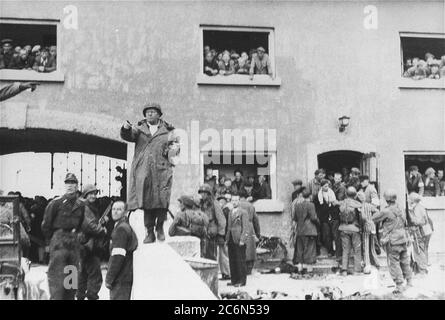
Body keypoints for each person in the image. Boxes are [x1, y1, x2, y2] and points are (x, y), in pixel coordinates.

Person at [120, 102, 180, 244]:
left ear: (159, 114)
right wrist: (126, 128)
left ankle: (159, 228)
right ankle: (149, 231)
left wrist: (172, 150)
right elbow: (129, 136)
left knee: (161, 200)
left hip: (162, 170)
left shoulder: (168, 131)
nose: (149, 114)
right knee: (146, 201)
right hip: (144, 170)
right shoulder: (139, 129)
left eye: (153, 111)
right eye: (147, 112)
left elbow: (175, 150)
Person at [41, 173, 103, 300]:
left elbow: (82, 224)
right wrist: (51, 242)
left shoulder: (81, 205)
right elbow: (46, 225)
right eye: (67, 183)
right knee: (57, 279)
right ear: (64, 185)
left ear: (76, 186)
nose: (70, 185)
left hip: (73, 244)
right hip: (59, 242)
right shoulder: (56, 203)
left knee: (71, 279)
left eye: (73, 183)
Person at [373, 190, 413, 293]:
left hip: (393, 240)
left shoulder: (386, 211)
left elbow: (374, 218)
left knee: (394, 263)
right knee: (405, 261)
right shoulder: (401, 209)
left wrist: (374, 209)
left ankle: (399, 285)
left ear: (386, 199)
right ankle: (409, 281)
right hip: (403, 238)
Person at [76, 184, 107, 300]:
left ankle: (79, 296)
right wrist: (102, 230)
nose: (94, 196)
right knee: (95, 275)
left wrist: (101, 222)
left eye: (95, 193)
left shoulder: (86, 206)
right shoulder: (86, 207)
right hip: (88, 245)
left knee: (83, 273)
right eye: (91, 193)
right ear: (86, 195)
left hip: (83, 244)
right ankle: (92, 296)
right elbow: (89, 225)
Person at [105, 201, 138, 300]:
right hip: (124, 276)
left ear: (125, 212)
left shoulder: (121, 229)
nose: (115, 212)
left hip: (120, 277)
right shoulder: (124, 226)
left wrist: (109, 279)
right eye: (113, 209)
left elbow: (117, 257)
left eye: (119, 209)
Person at [225, 194, 249, 287]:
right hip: (231, 238)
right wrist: (227, 238)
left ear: (239, 201)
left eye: (236, 200)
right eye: (232, 200)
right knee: (232, 260)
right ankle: (234, 280)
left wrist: (243, 239)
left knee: (240, 260)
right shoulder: (230, 212)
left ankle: (242, 281)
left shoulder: (243, 212)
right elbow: (229, 227)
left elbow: (246, 228)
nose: (234, 202)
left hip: (239, 239)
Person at [293, 189, 319, 273]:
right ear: (310, 196)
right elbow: (313, 218)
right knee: (310, 249)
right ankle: (309, 270)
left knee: (300, 249)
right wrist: (318, 222)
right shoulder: (311, 205)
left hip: (300, 230)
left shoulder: (297, 205)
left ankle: (300, 268)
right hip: (310, 230)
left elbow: (295, 218)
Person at [198, 184, 226, 261]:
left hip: (212, 233)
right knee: (202, 254)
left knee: (211, 256)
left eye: (205, 193)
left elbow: (221, 220)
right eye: (201, 193)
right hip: (203, 232)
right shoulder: (200, 204)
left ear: (209, 194)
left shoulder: (214, 203)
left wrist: (221, 234)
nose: (202, 195)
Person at [338, 187, 362, 276]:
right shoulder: (357, 204)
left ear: (346, 194)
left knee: (345, 249)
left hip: (343, 227)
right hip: (354, 228)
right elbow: (362, 217)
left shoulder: (342, 203)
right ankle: (357, 270)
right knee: (357, 249)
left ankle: (344, 269)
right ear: (355, 195)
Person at [357, 191, 380, 274]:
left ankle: (367, 265)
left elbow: (363, 217)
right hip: (372, 226)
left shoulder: (360, 206)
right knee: (372, 246)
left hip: (366, 227)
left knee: (366, 247)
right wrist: (373, 220)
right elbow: (378, 212)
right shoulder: (370, 205)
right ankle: (376, 263)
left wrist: (366, 220)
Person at [238, 189, 261, 275]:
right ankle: (249, 269)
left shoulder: (237, 205)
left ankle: (241, 269)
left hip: (240, 226)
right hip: (250, 227)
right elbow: (256, 220)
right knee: (250, 249)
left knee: (241, 248)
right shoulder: (251, 206)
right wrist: (257, 233)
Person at [407, 192, 429, 275]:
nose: (408, 200)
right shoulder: (418, 207)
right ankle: (421, 268)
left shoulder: (417, 209)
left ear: (412, 200)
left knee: (419, 250)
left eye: (409, 199)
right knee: (419, 249)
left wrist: (412, 219)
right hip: (422, 231)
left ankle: (422, 269)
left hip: (419, 231)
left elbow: (420, 221)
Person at [317, 179, 337, 256]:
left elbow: (335, 204)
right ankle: (330, 251)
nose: (327, 187)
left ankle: (335, 250)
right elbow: (319, 208)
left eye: (327, 186)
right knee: (327, 235)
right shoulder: (319, 196)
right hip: (324, 218)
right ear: (321, 187)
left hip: (332, 217)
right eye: (325, 186)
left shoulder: (331, 193)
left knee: (334, 234)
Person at [216, 195, 231, 280]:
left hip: (224, 236)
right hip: (224, 236)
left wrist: (223, 236)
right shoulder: (225, 210)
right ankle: (225, 273)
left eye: (220, 202)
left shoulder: (225, 211)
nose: (219, 204)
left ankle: (227, 273)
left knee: (224, 255)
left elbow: (224, 225)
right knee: (223, 255)